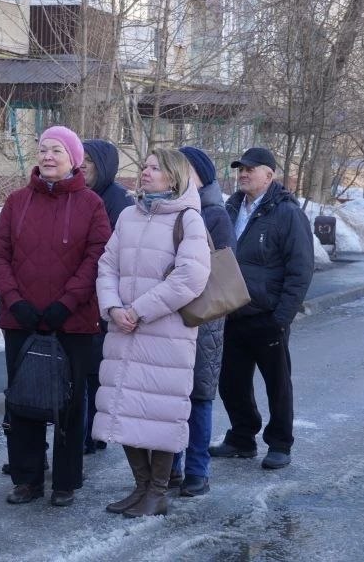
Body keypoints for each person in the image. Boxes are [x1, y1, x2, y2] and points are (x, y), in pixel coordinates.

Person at [0, 126, 111, 507]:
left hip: (71, 322)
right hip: (21, 321)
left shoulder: (92, 205)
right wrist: (14, 301)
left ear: (73, 159)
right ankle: (26, 479)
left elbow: (97, 258)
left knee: (69, 404)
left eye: (56, 150)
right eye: (42, 149)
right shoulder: (17, 201)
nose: (47, 156)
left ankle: (65, 482)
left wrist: (66, 304)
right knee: (23, 400)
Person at [93, 148, 211, 517]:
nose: (145, 172)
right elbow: (107, 265)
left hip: (165, 334)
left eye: (154, 168)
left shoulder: (189, 219)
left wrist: (138, 311)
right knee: (122, 410)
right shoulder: (129, 215)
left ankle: (158, 492)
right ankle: (141, 487)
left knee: (160, 415)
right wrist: (112, 307)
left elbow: (191, 277)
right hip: (123, 329)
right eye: (144, 166)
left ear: (173, 177)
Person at [210, 147, 314, 470]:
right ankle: (243, 437)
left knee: (277, 385)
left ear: (269, 175)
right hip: (232, 312)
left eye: (250, 169)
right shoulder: (230, 209)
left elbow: (301, 269)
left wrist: (282, 317)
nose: (242, 173)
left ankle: (280, 443)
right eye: (240, 169)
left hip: (268, 316)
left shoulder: (287, 213)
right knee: (231, 383)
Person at [168, 146, 236, 496]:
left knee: (198, 396)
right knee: (171, 396)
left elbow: (219, 273)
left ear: (201, 175)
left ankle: (197, 469)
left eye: (184, 169)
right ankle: (171, 468)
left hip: (202, 320)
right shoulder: (167, 208)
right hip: (168, 317)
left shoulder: (213, 214)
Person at [78, 139, 135, 455]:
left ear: (104, 165)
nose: (82, 164)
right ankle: (89, 433)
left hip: (105, 297)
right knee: (86, 369)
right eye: (80, 158)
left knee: (99, 372)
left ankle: (95, 432)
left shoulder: (119, 201)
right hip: (79, 296)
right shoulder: (79, 194)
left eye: (90, 159)